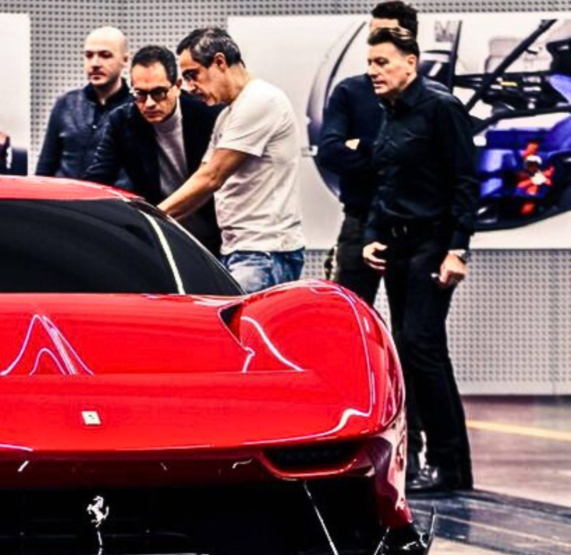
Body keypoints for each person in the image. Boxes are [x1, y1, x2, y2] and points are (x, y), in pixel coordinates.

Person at [363, 26, 477, 492]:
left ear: (411, 62)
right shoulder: (389, 112)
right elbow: (384, 181)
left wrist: (457, 248)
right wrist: (372, 234)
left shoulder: (441, 107)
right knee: (416, 352)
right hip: (398, 246)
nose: (373, 71)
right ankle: (433, 462)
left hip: (433, 244)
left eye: (382, 62)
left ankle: (450, 465)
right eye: (370, 64)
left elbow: (465, 183)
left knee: (421, 347)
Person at [158, 27, 304, 293]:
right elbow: (202, 178)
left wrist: (152, 216)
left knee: (242, 335)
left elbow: (211, 177)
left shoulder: (260, 100)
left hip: (263, 253)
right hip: (243, 251)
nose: (190, 87)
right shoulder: (228, 115)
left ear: (220, 62)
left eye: (193, 75)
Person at [317, 1, 423, 307]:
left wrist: (362, 145)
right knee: (348, 318)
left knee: (411, 329)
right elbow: (330, 153)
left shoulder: (429, 98)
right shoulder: (350, 92)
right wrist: (390, 158)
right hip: (360, 219)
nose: (377, 43)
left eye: (386, 34)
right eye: (373, 33)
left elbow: (428, 164)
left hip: (410, 224)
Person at [83, 45, 224, 255]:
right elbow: (98, 180)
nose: (148, 103)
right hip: (161, 237)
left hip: (215, 233)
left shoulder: (209, 114)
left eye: (158, 93)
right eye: (139, 93)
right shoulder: (122, 122)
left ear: (177, 85)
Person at [36, 26, 133, 183]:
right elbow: (45, 167)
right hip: (62, 202)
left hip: (111, 204)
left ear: (125, 60)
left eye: (105, 55)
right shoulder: (65, 104)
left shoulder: (135, 109)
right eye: (89, 55)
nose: (95, 63)